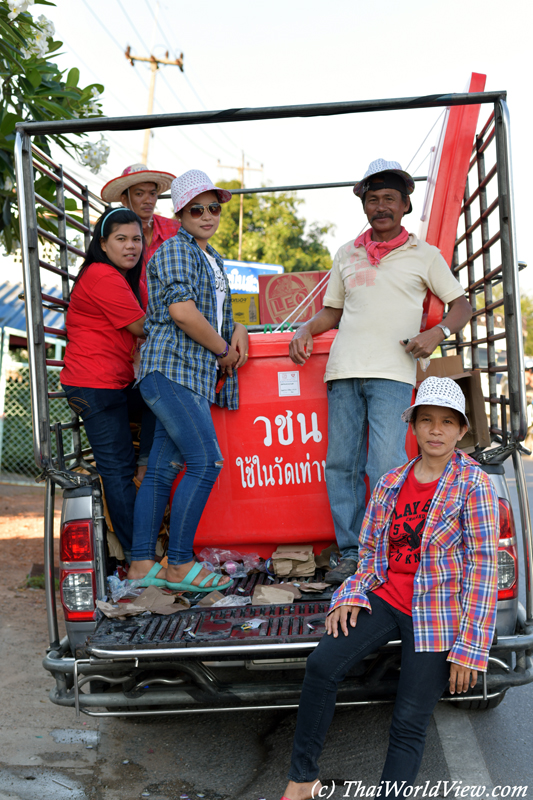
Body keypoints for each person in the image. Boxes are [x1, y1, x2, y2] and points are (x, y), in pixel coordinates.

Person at [280, 376, 500, 800]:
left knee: (409, 720)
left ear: (461, 430)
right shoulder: (390, 483)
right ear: (413, 426)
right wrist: (350, 594)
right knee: (322, 666)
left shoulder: (474, 486)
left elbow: (483, 570)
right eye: (427, 420)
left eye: (447, 422)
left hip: (435, 613)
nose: (436, 430)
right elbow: (370, 555)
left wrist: (470, 649)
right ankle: (303, 779)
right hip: (386, 597)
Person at [289, 159, 472, 584]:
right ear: (365, 207)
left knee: (386, 466)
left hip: (394, 372)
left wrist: (436, 333)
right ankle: (352, 553)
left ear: (406, 205)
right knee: (341, 465)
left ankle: (389, 551)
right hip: (343, 371)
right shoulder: (346, 253)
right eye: (373, 200)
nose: (380, 206)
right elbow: (332, 312)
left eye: (389, 198)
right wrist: (305, 327)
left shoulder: (424, 254)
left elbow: (461, 305)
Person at [127, 170, 249, 591]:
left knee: (162, 470)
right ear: (179, 212)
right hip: (172, 370)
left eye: (213, 207)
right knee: (206, 461)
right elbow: (182, 312)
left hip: (187, 375)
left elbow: (217, 313)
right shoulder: (175, 250)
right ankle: (178, 564)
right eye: (196, 208)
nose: (207, 215)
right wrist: (222, 350)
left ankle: (142, 563)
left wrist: (237, 331)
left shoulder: (210, 257)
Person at [61, 207, 155, 560]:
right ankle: (138, 557)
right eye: (121, 239)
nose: (131, 246)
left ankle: (146, 464)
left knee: (158, 399)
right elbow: (143, 326)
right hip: (93, 385)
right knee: (117, 470)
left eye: (136, 239)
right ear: (102, 243)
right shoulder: (101, 275)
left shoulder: (129, 280)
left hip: (114, 383)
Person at [101, 163, 179, 279]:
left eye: (153, 193)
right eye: (139, 194)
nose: (148, 200)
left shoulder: (175, 229)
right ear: (124, 199)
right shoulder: (112, 232)